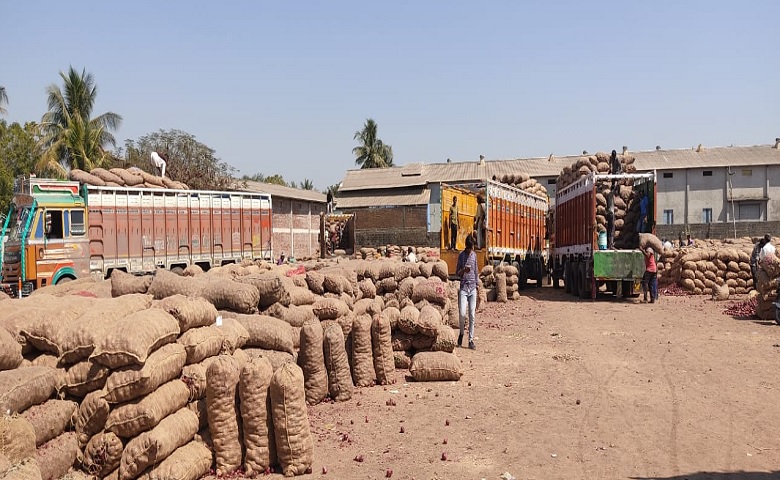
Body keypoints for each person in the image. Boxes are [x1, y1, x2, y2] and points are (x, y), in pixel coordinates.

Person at [456, 234, 478, 349]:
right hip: (464, 288)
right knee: (462, 313)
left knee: (472, 315)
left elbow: (476, 271)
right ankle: (461, 334)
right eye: (469, 248)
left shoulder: (474, 256)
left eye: (471, 248)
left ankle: (471, 340)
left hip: (473, 288)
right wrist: (463, 270)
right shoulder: (461, 256)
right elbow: (457, 272)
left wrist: (478, 286)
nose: (470, 250)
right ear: (466, 247)